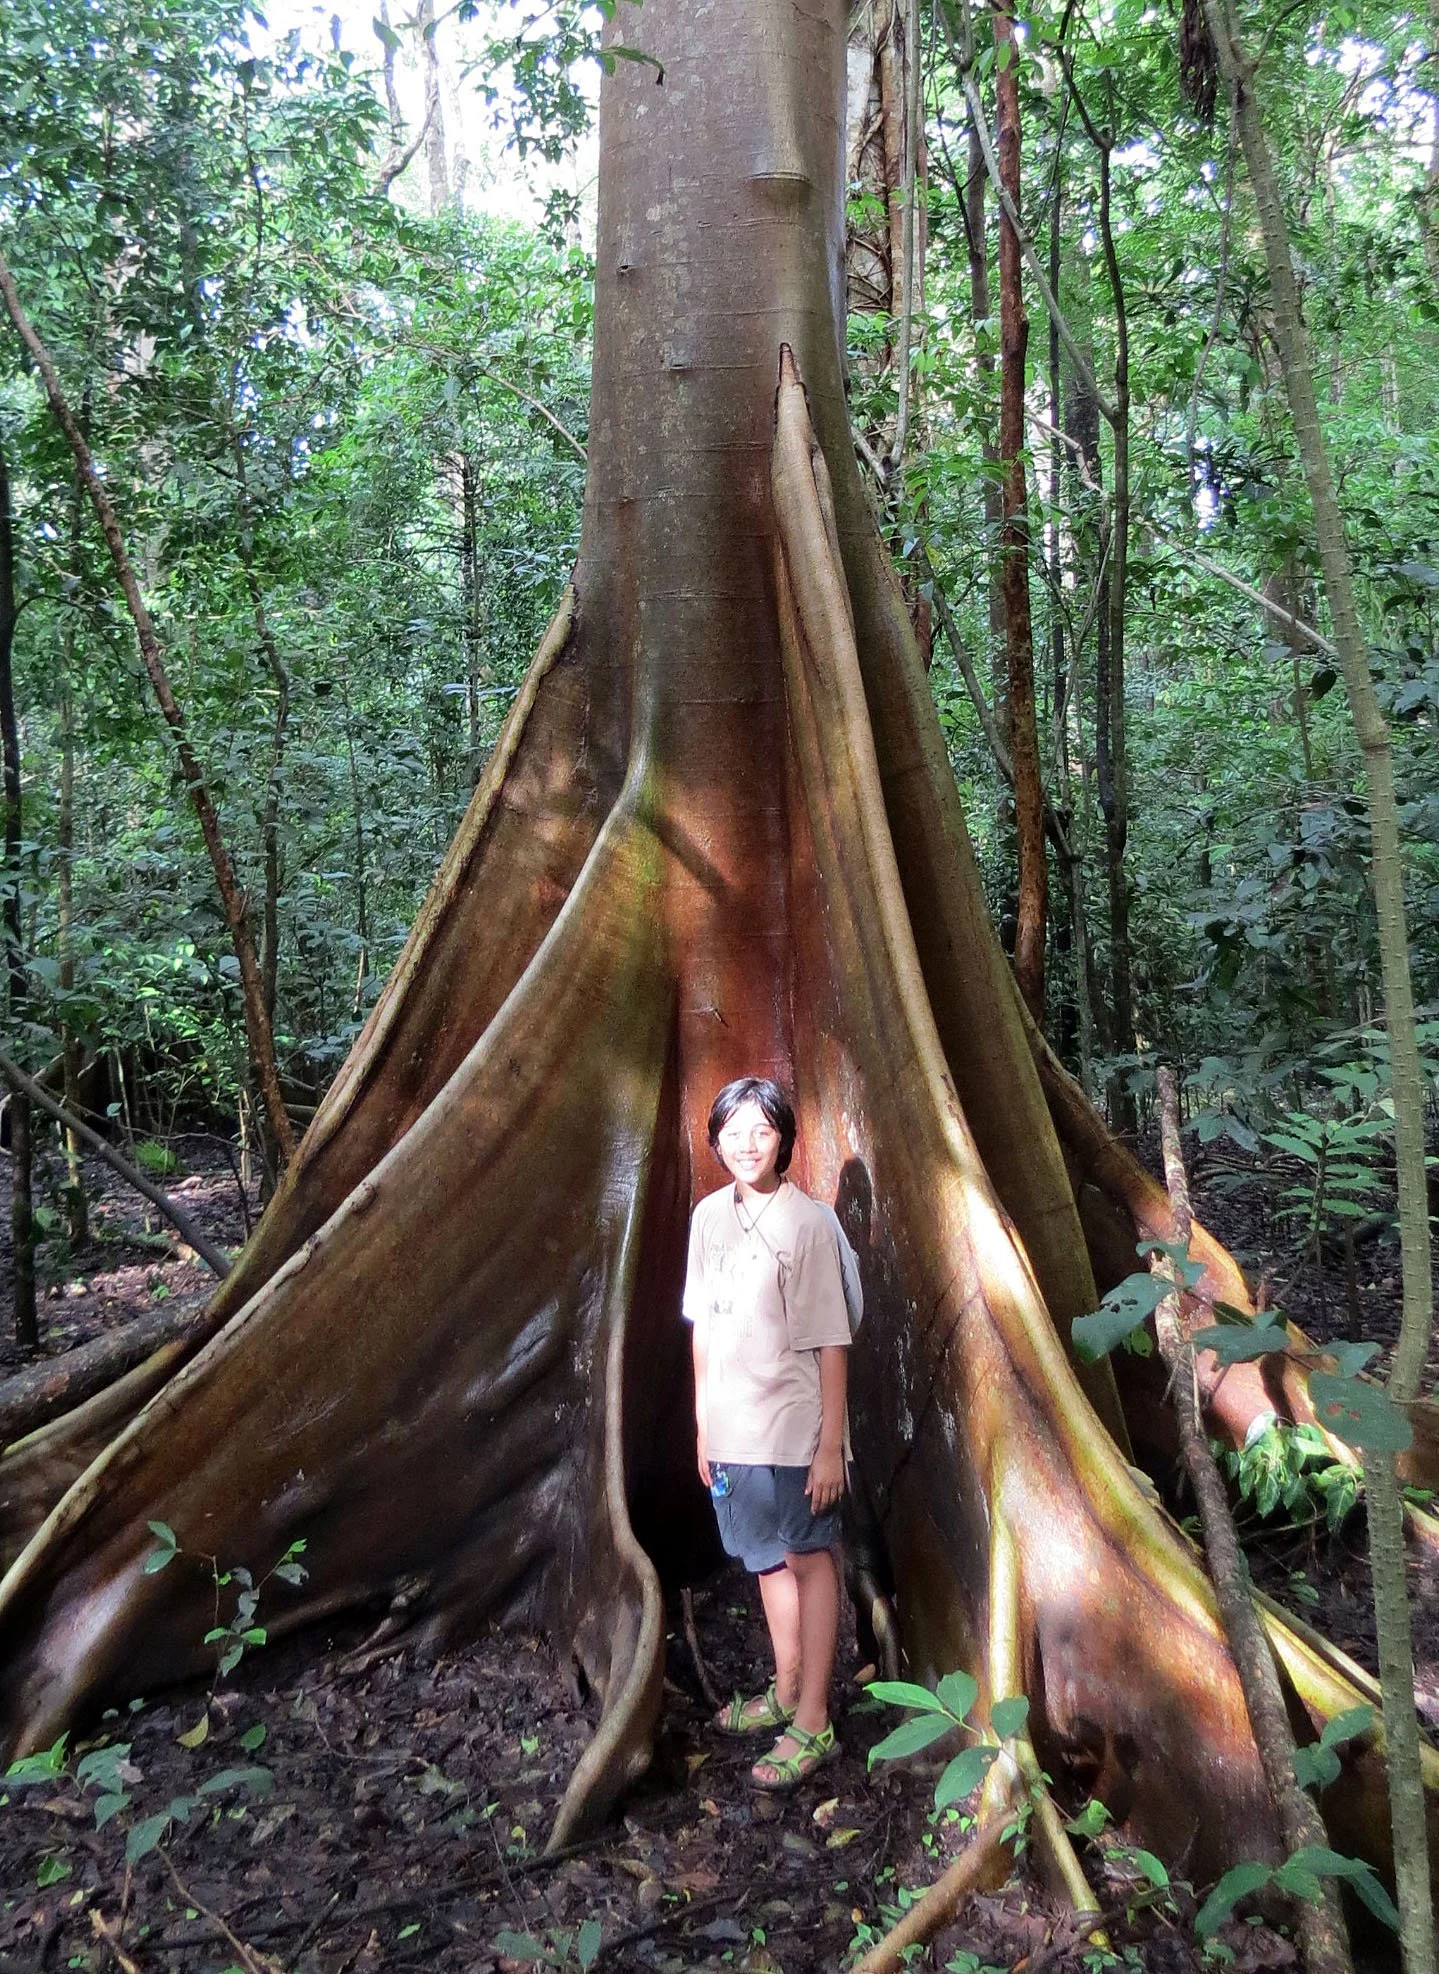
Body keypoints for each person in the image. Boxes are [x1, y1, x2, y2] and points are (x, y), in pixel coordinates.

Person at [683, 1076, 851, 1790]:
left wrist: (828, 1446)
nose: (746, 1145)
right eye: (732, 1132)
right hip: (731, 1430)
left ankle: (814, 1720)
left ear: (783, 1137)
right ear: (715, 1140)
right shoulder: (707, 1217)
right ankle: (784, 1692)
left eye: (761, 1131)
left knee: (809, 1557)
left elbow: (831, 1342)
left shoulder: (806, 1222)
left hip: (794, 1428)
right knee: (766, 1560)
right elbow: (701, 1327)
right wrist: (701, 1425)